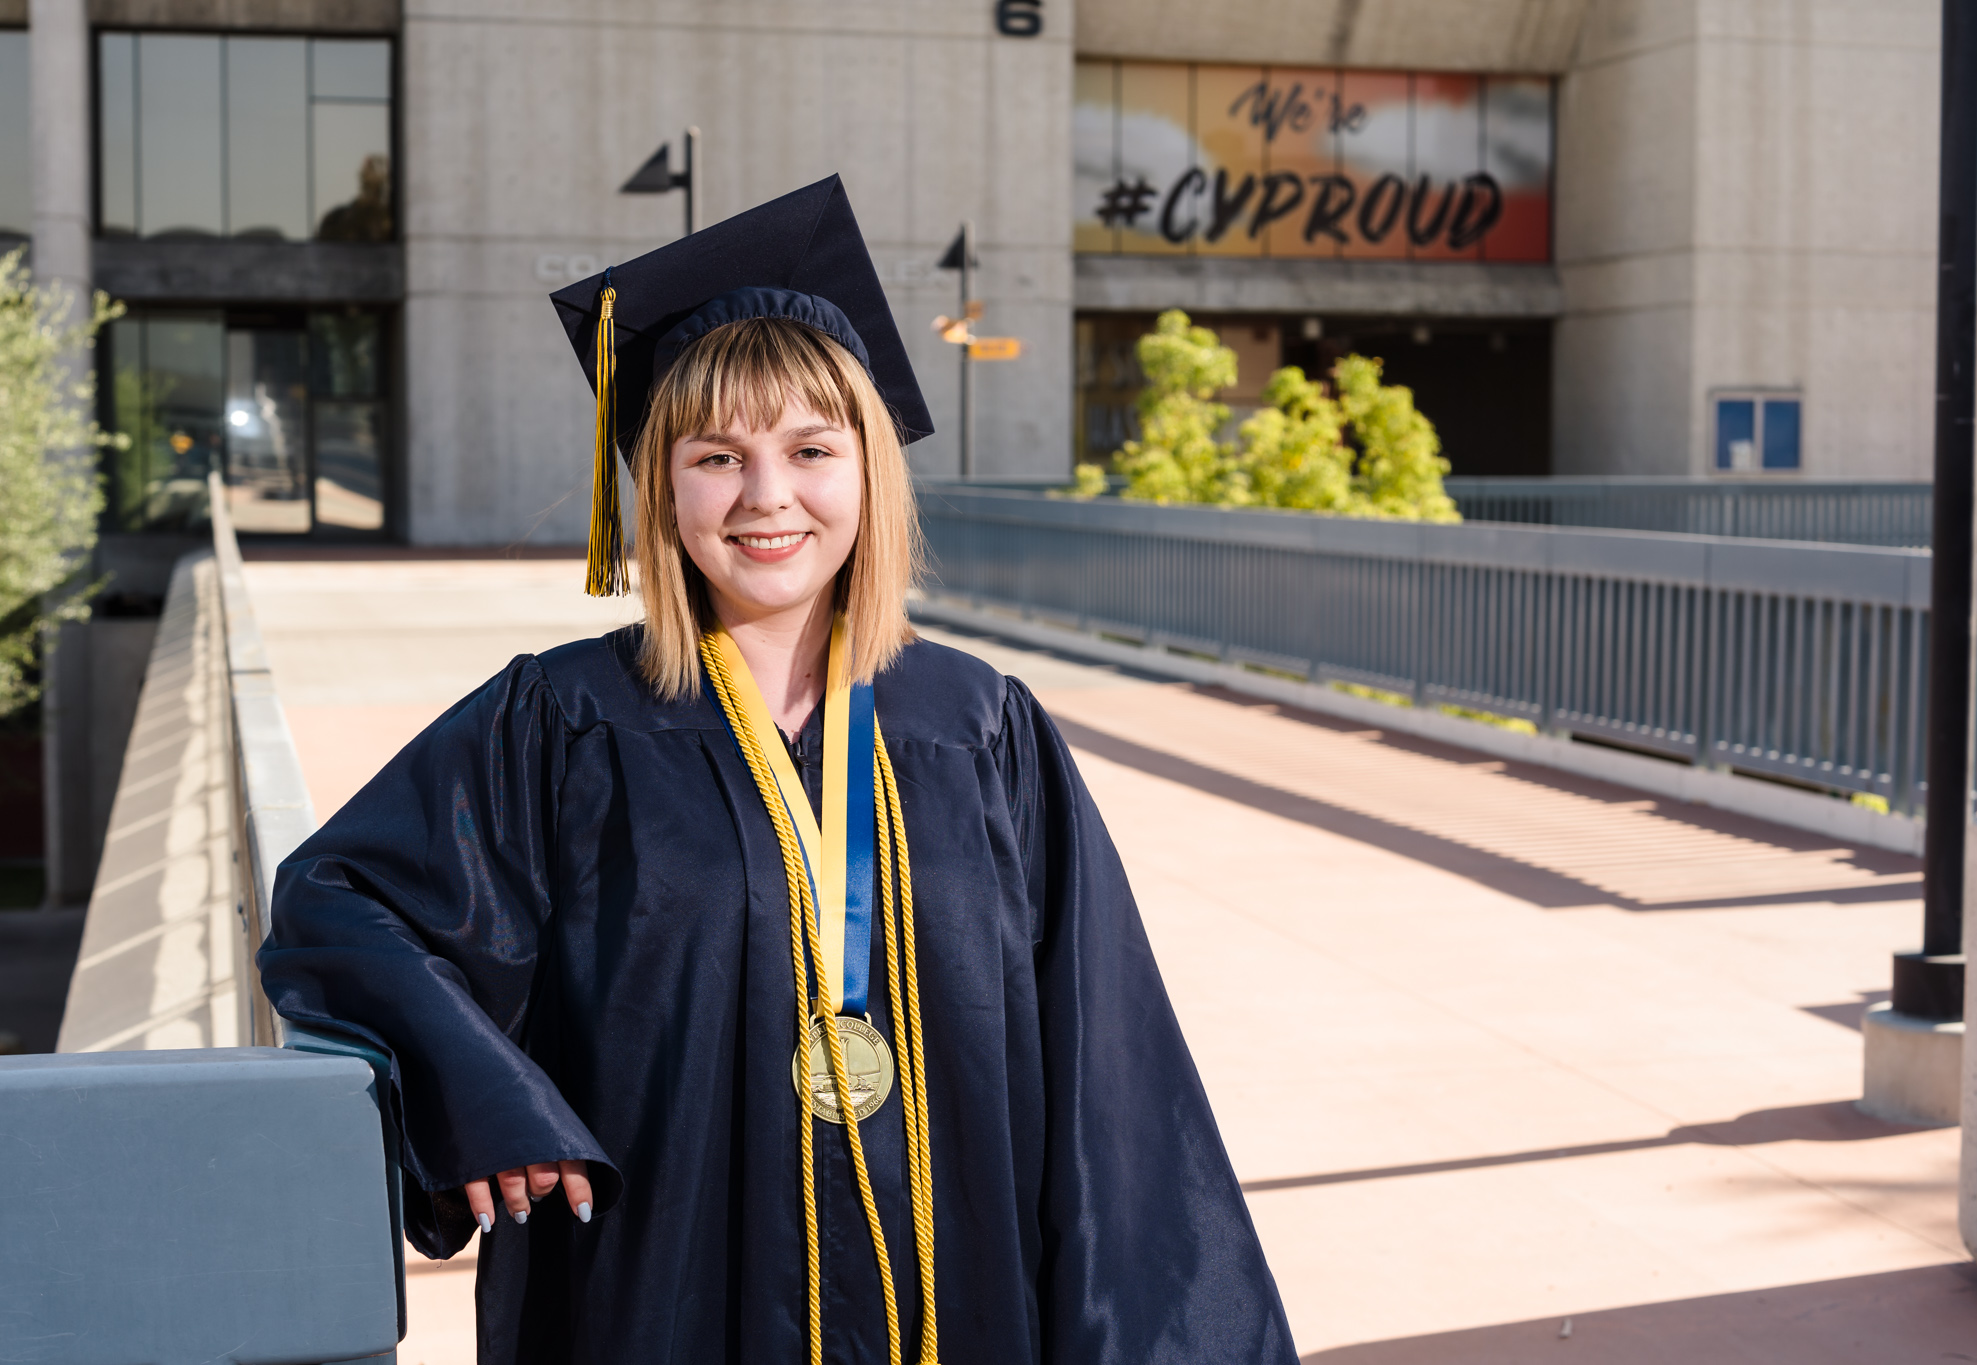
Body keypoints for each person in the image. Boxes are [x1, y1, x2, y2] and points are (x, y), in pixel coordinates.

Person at [258, 176, 1297, 1365]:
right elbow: (337, 901)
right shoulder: (563, 723)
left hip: (958, 1304)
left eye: (811, 448)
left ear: (869, 469)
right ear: (658, 483)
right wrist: (484, 1096)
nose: (766, 498)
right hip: (657, 1295)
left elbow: (1107, 1075)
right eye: (715, 456)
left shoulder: (982, 729)